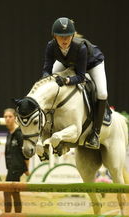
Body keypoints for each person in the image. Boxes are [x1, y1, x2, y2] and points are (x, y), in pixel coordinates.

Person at [42, 17, 107, 150]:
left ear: (72, 35)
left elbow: (81, 77)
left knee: (102, 93)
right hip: (68, 61)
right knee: (53, 75)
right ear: (54, 36)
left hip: (92, 63)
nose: (64, 40)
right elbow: (46, 70)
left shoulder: (81, 48)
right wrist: (46, 80)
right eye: (60, 36)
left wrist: (66, 80)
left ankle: (95, 132)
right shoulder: (51, 46)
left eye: (67, 36)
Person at [2, 108, 29, 217]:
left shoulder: (19, 133)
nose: (7, 119)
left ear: (15, 118)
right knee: (15, 194)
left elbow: (25, 152)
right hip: (11, 167)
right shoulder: (10, 133)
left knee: (7, 192)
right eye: (5, 116)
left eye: (10, 116)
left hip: (16, 168)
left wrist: (27, 168)